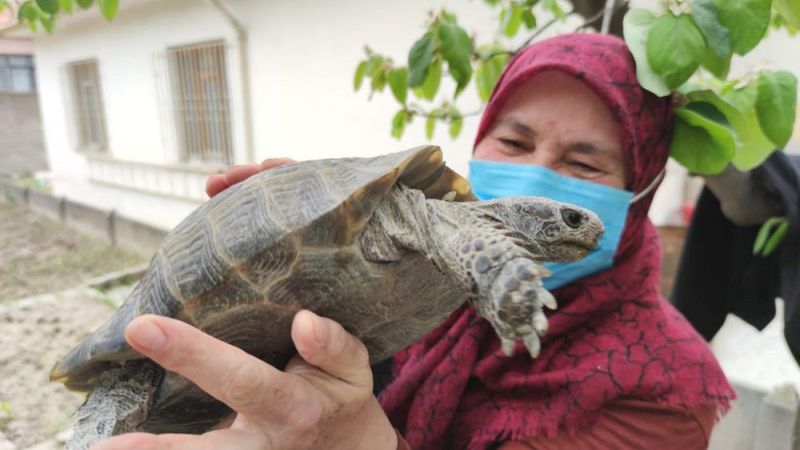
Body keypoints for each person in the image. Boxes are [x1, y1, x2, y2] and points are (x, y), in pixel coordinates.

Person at [92, 33, 735, 450]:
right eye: (512, 141)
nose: (539, 172)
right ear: (479, 142)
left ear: (642, 186)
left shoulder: (663, 393)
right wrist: (294, 202)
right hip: (186, 322)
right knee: (119, 404)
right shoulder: (428, 242)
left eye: (587, 164)